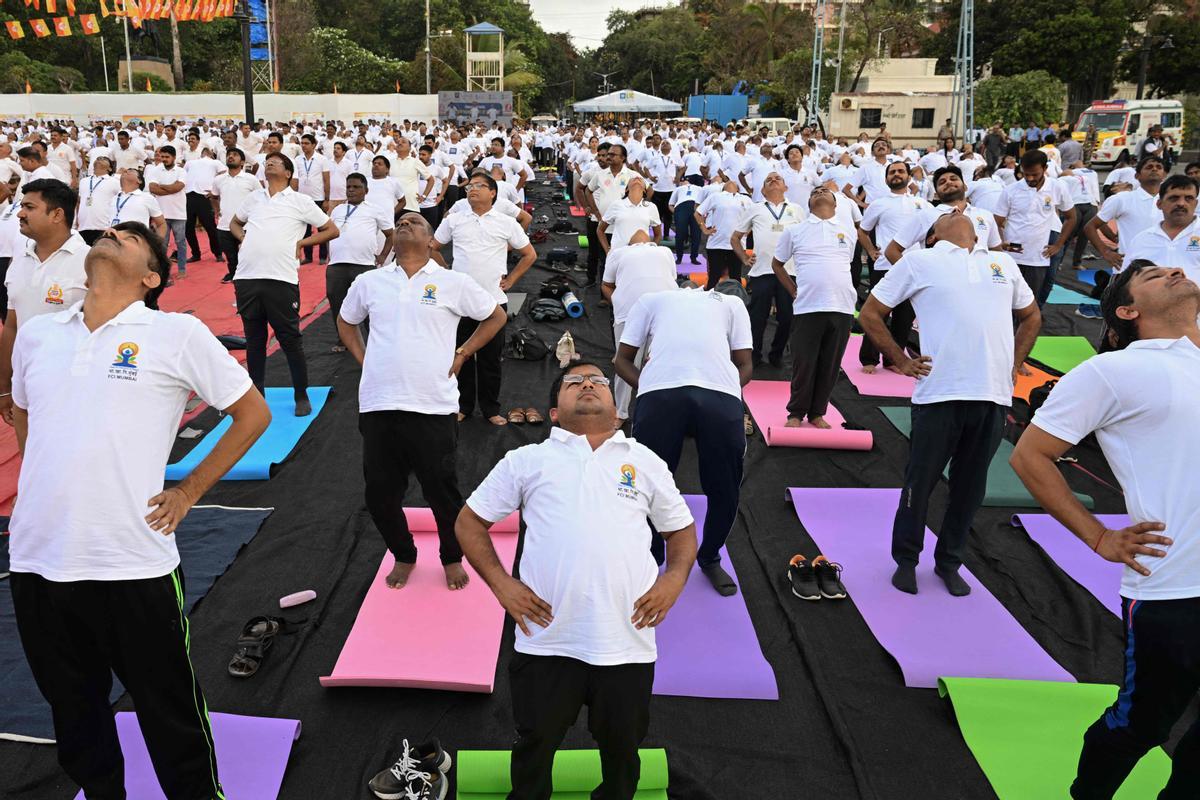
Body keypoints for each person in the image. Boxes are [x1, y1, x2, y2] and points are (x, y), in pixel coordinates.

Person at [8, 221, 270, 800]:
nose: (111, 235)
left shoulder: (174, 332)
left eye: (129, 238)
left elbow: (251, 413)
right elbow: (23, 411)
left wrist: (188, 489)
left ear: (152, 276)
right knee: (74, 713)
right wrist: (44, 480)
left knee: (169, 711)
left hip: (131, 564)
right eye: (108, 233)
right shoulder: (40, 334)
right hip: (37, 559)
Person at [456, 360, 697, 800]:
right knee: (535, 745)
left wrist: (675, 578)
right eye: (573, 381)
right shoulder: (526, 460)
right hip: (546, 640)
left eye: (598, 381)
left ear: (618, 409)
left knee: (623, 751)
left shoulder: (644, 461)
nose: (587, 383)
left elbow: (680, 530)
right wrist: (501, 584)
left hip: (627, 640)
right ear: (553, 412)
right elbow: (469, 523)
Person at [1010, 261, 1198, 800]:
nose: (1175, 268)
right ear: (1127, 310)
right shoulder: (1112, 371)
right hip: (1174, 587)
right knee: (1139, 726)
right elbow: (1031, 457)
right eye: (1153, 274)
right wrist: (1098, 537)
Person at [859, 214, 1040, 596]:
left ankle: (950, 561)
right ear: (933, 233)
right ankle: (906, 560)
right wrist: (900, 359)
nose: (959, 212)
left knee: (970, 488)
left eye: (964, 211)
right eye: (947, 212)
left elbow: (1031, 316)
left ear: (979, 231)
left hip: (991, 394)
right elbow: (871, 313)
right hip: (939, 393)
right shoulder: (920, 260)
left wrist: (1015, 361)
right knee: (919, 483)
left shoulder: (1001, 262)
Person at [338, 213, 506, 592]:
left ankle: (451, 558)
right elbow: (347, 321)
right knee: (380, 494)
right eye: (400, 221)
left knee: (442, 492)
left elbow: (495, 317)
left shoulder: (452, 282)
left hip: (433, 405)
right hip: (379, 404)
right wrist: (364, 358)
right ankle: (404, 554)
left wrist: (463, 352)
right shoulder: (370, 281)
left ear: (432, 240)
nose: (404, 223)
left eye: (415, 222)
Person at [614, 284, 753, 596]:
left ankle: (710, 556)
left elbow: (745, 364)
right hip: (662, 393)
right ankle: (651, 557)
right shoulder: (650, 298)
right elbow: (621, 359)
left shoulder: (731, 303)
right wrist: (648, 385)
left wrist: (729, 389)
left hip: (719, 395)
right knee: (646, 484)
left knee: (725, 486)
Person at [230, 151, 339, 417]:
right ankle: (257, 395)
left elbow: (331, 230)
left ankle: (300, 394)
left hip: (281, 278)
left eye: (276, 162)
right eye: (267, 161)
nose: (269, 163)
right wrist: (243, 238)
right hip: (247, 277)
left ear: (288, 173)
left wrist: (302, 243)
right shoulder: (254, 198)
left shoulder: (299, 201)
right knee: (254, 340)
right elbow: (235, 222)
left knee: (290, 339)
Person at [431, 172, 536, 425]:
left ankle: (490, 409)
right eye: (470, 186)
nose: (472, 189)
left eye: (480, 186)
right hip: (458, 303)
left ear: (492, 193)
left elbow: (529, 254)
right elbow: (431, 248)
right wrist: (446, 272)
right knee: (460, 356)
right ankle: (463, 405)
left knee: (490, 360)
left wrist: (510, 281)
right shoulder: (454, 220)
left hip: (492, 301)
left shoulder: (506, 222)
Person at [0, 178, 90, 426]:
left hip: (75, 389)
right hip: (27, 388)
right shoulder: (20, 260)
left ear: (57, 214)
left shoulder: (90, 261)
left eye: (29, 207)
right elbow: (11, 326)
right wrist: (5, 387)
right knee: (31, 460)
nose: (20, 213)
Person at [770, 186, 857, 428]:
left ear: (835, 203)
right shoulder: (795, 231)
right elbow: (777, 264)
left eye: (824, 191)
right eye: (815, 191)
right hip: (808, 306)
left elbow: (845, 263)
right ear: (809, 203)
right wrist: (793, 290)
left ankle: (818, 413)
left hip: (842, 306)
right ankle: (795, 413)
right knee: (803, 363)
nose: (820, 191)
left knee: (830, 365)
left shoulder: (846, 231)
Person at [601, 229, 677, 423]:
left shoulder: (617, 253)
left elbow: (606, 285)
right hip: (663, 312)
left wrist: (617, 302)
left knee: (624, 362)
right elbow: (673, 279)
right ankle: (659, 409)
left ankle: (621, 412)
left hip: (634, 313)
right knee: (660, 363)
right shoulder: (664, 252)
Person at [858, 161, 925, 373]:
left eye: (900, 171)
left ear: (908, 176)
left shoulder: (922, 204)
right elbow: (862, 231)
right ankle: (869, 358)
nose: (896, 175)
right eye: (892, 172)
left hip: (914, 268)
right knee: (878, 314)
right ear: (886, 179)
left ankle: (893, 360)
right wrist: (870, 251)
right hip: (885, 266)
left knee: (904, 317)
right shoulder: (879, 203)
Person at [732, 172, 803, 367]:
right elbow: (735, 237)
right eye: (768, 180)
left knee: (788, 318)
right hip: (762, 271)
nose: (773, 180)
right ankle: (753, 356)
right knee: (757, 317)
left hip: (790, 272)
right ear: (762, 190)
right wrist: (744, 257)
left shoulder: (797, 209)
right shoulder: (755, 209)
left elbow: (806, 238)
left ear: (785, 187)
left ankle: (776, 355)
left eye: (777, 178)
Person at [994, 149, 1076, 306]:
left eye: (1035, 174)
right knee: (1007, 300)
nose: (1030, 178)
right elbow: (996, 222)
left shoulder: (1057, 187)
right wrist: (1002, 242)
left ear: (1045, 169)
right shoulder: (1011, 190)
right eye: (1026, 174)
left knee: (1030, 301)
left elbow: (1072, 217)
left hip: (1038, 258)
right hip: (1012, 257)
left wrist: (1059, 245)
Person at [326, 172, 395, 351]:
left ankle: (374, 340)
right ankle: (343, 340)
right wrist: (329, 254)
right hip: (336, 265)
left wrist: (382, 256)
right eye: (348, 187)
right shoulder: (338, 210)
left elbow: (391, 234)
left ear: (366, 190)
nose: (351, 190)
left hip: (363, 264)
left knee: (368, 305)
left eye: (356, 187)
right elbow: (329, 233)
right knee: (337, 303)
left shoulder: (375, 209)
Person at [1085, 156, 1166, 271]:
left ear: (1164, 175)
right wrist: (1106, 251)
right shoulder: (1122, 199)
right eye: (1149, 167)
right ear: (1137, 176)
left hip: (1162, 270)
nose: (1154, 169)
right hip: (1127, 269)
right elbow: (1090, 226)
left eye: (1159, 167)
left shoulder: (1171, 202)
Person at [1121, 175, 1200, 277]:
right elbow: (1126, 281)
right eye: (1174, 198)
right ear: (1159, 204)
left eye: (1188, 198)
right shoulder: (1141, 240)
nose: (1181, 203)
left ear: (1196, 203)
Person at [583, 144, 638, 287]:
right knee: (604, 259)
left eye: (612, 154)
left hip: (623, 228)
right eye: (609, 154)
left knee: (623, 261)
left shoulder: (632, 175)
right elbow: (587, 191)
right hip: (604, 226)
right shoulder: (600, 174)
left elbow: (648, 192)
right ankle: (604, 295)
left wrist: (636, 209)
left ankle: (622, 289)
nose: (608, 157)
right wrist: (595, 210)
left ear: (623, 158)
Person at [211, 146, 260, 283]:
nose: (230, 156)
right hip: (224, 224)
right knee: (230, 255)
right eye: (229, 154)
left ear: (243, 162)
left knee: (248, 254)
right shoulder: (219, 180)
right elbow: (214, 197)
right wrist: (216, 211)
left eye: (234, 155)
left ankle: (250, 276)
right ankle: (233, 274)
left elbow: (260, 199)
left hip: (246, 225)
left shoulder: (251, 179)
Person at [696, 180, 751, 289]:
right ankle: (708, 302)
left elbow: (754, 217)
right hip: (716, 244)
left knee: (735, 277)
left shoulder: (746, 199)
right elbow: (698, 213)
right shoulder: (715, 196)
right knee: (714, 277)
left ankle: (736, 302)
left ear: (738, 189)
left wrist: (747, 231)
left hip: (737, 246)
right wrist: (704, 229)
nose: (730, 182)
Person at [145, 145, 190, 277]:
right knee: (162, 245)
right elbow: (153, 188)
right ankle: (164, 272)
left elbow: (178, 187)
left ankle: (182, 269)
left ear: (174, 158)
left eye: (167, 157)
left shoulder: (181, 171)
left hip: (179, 213)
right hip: (161, 215)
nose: (164, 159)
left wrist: (162, 187)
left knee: (180, 243)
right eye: (162, 156)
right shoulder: (155, 170)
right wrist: (171, 188)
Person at [182, 139, 223, 263]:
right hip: (191, 195)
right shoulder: (191, 162)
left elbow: (224, 173)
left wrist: (214, 190)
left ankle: (217, 253)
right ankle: (197, 254)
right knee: (190, 227)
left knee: (209, 227)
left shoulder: (215, 162)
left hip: (201, 196)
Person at [294, 134, 332, 264]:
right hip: (302, 198)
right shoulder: (297, 160)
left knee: (322, 228)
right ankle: (308, 256)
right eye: (302, 143)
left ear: (313, 145)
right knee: (305, 230)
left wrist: (327, 199)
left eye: (306, 143)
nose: (303, 145)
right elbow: (295, 179)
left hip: (319, 198)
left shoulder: (322, 159)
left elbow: (326, 180)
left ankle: (322, 256)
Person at [74, 156, 121, 245]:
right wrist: (77, 220)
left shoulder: (114, 182)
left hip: (103, 226)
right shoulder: (84, 181)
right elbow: (79, 201)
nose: (100, 159)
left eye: (104, 159)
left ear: (110, 168)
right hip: (84, 226)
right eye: (98, 158)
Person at [108, 169, 167, 236]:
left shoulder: (147, 197)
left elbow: (161, 224)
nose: (126, 171)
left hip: (135, 242)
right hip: (113, 240)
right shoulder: (114, 198)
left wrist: (157, 244)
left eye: (131, 171)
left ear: (139, 181)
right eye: (126, 171)